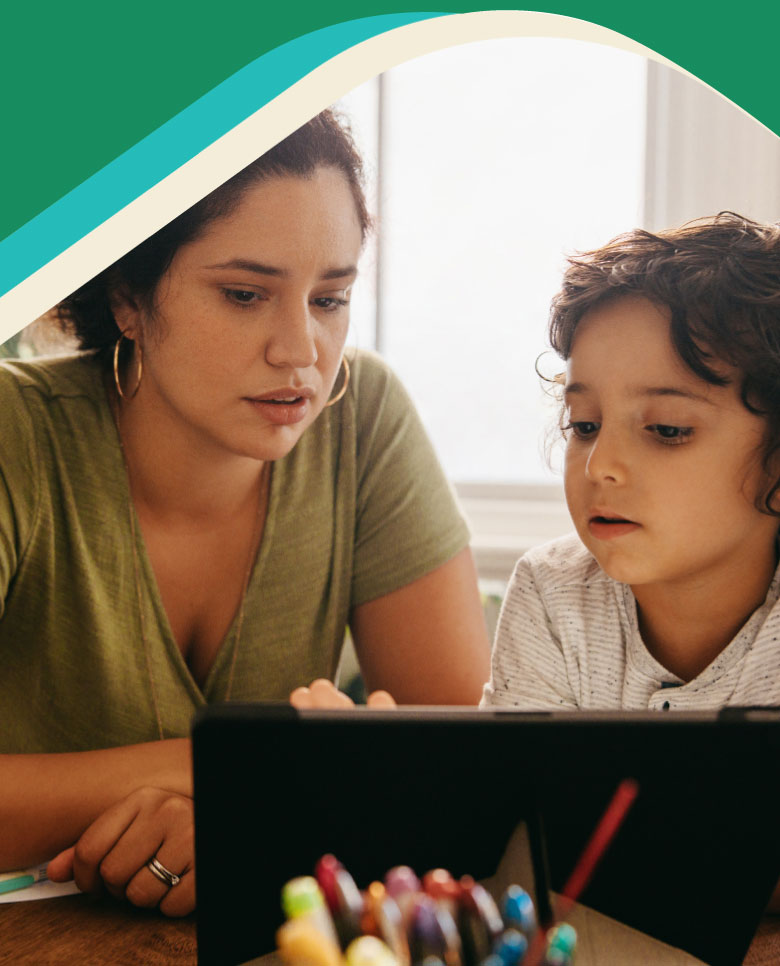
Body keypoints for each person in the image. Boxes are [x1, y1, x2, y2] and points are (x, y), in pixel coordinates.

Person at [0, 109, 490, 914]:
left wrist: (256, 812)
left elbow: (460, 772)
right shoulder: (16, 434)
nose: (299, 349)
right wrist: (236, 770)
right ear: (128, 293)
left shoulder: (362, 416)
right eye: (243, 294)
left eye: (330, 298)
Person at [482, 212, 780, 711]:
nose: (600, 466)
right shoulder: (551, 594)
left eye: (667, 430)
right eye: (584, 425)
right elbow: (519, 787)